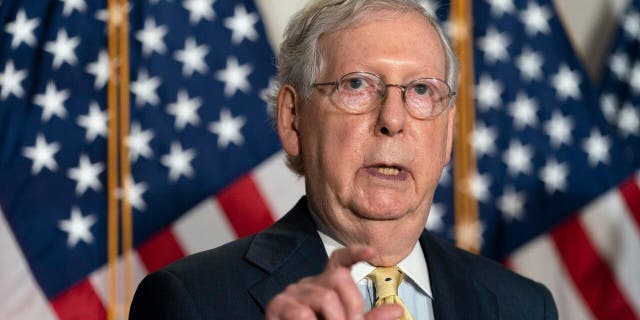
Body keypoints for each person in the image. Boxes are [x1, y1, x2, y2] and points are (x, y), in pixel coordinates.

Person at [129, 0, 558, 319]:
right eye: (357, 85)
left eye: (422, 91)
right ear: (293, 119)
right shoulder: (190, 301)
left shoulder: (523, 306)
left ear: (448, 133)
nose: (392, 119)